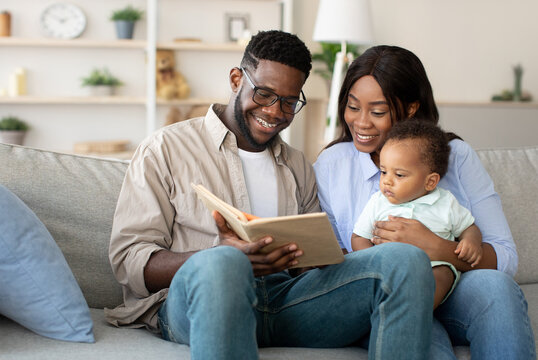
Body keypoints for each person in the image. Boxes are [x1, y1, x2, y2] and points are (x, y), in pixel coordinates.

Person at [106, 31, 436, 360]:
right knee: (223, 263)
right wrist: (217, 254)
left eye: (290, 102)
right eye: (264, 94)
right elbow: (129, 260)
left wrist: (316, 256)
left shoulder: (298, 165)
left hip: (286, 303)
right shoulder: (165, 149)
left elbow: (311, 267)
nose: (275, 111)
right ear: (237, 79)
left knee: (405, 260)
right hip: (196, 304)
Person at [314, 45, 536, 359]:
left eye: (377, 111)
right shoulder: (331, 166)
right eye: (352, 107)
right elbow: (332, 258)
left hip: (452, 287)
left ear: (410, 109)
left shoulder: (455, 157)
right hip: (385, 296)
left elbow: (505, 256)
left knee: (497, 290)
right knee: (421, 334)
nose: (360, 122)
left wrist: (437, 248)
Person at [351, 120, 482, 309]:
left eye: (399, 175)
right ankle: (391, 308)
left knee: (444, 273)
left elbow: (469, 228)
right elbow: (358, 236)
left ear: (430, 182)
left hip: (432, 267)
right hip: (388, 268)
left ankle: (418, 310)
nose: (387, 181)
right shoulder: (378, 202)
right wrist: (371, 258)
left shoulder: (445, 202)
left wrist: (471, 241)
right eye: (383, 172)